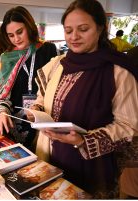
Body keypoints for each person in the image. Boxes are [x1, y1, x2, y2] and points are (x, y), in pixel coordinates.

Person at [27, 0, 138, 198]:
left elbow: (129, 126)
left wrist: (84, 141)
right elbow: (42, 97)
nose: (74, 37)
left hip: (93, 166)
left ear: (101, 28)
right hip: (51, 153)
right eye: (68, 31)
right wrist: (36, 110)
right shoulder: (58, 64)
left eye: (83, 29)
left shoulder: (118, 71)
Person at [0, 6, 57, 151]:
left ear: (29, 26)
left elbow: (54, 87)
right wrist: (1, 111)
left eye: (20, 32)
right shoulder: (7, 57)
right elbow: (0, 93)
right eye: (11, 35)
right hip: (12, 121)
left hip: (41, 119)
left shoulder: (47, 50)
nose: (16, 39)